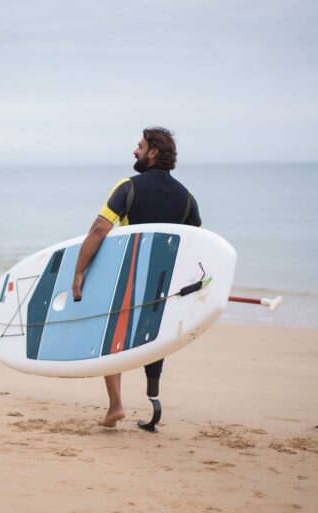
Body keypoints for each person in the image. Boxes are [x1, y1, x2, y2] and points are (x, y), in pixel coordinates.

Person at [71, 127, 201, 428]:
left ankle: (116, 405)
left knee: (112, 338)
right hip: (163, 286)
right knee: (154, 337)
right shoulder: (187, 198)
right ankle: (153, 399)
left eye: (139, 146)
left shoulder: (128, 187)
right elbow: (196, 244)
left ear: (153, 151)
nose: (135, 150)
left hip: (128, 282)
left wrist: (79, 271)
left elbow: (99, 230)